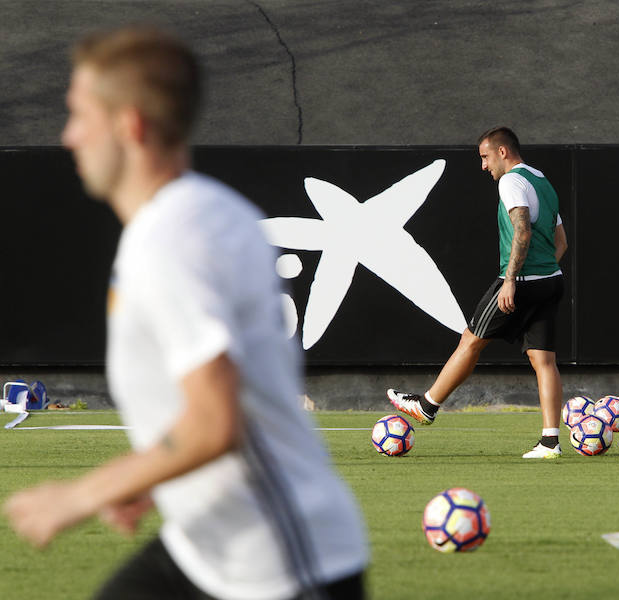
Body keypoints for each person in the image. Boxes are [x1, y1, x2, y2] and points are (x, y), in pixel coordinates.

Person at [3, 27, 368, 598]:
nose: (68, 136)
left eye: (78, 115)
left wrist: (78, 496)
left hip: (279, 562)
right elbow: (232, 400)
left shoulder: (173, 239)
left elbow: (214, 421)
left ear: (130, 125)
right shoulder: (195, 215)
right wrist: (153, 481)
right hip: (209, 548)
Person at [388, 126, 568, 459]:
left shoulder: (511, 181)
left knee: (471, 340)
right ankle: (549, 442)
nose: (483, 166)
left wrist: (513, 279)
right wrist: (542, 272)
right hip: (550, 280)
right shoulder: (541, 179)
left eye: (485, 157)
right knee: (544, 361)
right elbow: (561, 243)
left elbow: (522, 229)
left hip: (520, 280)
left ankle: (427, 405)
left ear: (503, 152)